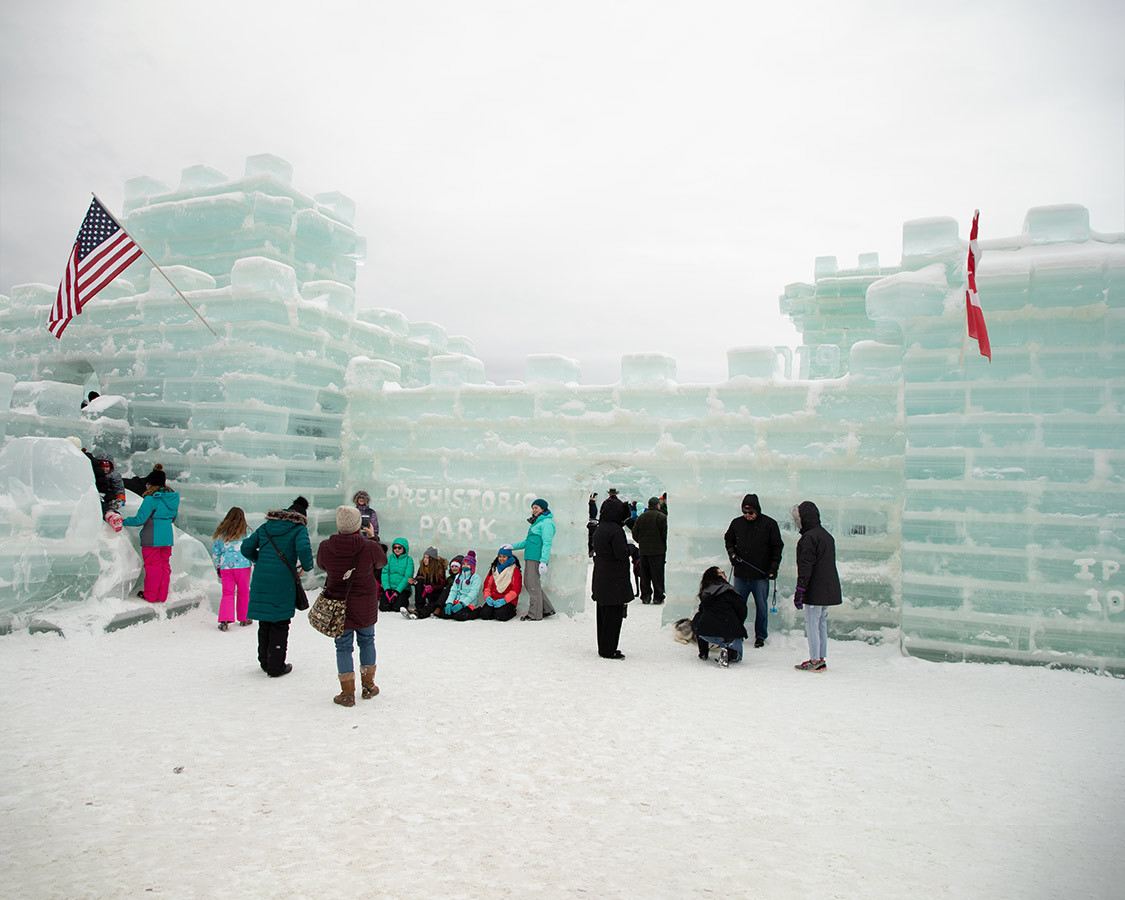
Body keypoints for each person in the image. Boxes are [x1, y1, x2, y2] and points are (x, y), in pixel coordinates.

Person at [317, 505, 388, 705]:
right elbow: (381, 562)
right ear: (358, 524)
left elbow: (322, 565)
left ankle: (347, 693)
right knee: (367, 640)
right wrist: (373, 538)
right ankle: (368, 686)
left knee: (343, 646)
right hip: (364, 602)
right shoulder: (369, 546)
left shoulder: (326, 546)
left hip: (338, 604)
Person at [241, 497, 313, 678]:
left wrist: (260, 560)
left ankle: (264, 661)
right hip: (283, 580)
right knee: (280, 622)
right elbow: (304, 549)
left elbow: (246, 547)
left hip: (261, 579)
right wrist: (307, 565)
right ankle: (276, 666)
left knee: (265, 621)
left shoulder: (267, 527)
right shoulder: (298, 529)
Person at [723, 493, 784, 648]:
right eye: (744, 512)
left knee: (761, 607)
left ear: (757, 510)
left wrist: (773, 568)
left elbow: (777, 547)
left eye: (751, 512)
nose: (747, 515)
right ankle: (736, 632)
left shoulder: (769, 524)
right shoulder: (736, 523)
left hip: (760, 575)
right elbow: (728, 539)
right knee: (738, 606)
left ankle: (760, 636)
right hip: (741, 575)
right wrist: (732, 554)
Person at [792, 501, 842, 672]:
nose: (796, 522)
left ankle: (815, 660)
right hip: (827, 588)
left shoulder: (808, 538)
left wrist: (800, 590)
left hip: (815, 588)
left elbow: (805, 567)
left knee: (812, 623)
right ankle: (820, 658)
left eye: (797, 518)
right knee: (821, 623)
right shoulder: (826, 536)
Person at [122, 465, 180, 604]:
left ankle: (151, 596)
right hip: (167, 537)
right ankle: (162, 595)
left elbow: (139, 520)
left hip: (152, 537)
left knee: (152, 567)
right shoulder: (172, 498)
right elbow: (173, 518)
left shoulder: (151, 499)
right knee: (164, 566)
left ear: (150, 484)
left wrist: (123, 521)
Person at [591, 494, 632, 659]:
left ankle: (603, 647)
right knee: (613, 617)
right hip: (614, 579)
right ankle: (609, 650)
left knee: (602, 616)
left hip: (601, 575)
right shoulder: (616, 530)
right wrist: (631, 549)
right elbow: (621, 553)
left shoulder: (600, 528)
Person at [692, 566, 748, 668]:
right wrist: (738, 625)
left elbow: (701, 612)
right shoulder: (730, 591)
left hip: (707, 633)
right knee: (737, 656)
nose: (724, 574)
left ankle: (703, 652)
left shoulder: (706, 593)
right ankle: (730, 653)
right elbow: (742, 610)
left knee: (698, 618)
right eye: (721, 573)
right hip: (730, 632)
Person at [211, 506, 253, 630]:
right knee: (244, 592)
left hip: (226, 568)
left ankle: (225, 620)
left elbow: (216, 553)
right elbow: (252, 548)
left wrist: (218, 566)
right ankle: (244, 617)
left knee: (227, 593)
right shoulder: (247, 532)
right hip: (244, 566)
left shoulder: (221, 533)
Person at [514, 498, 556, 621]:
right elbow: (528, 542)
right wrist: (512, 546)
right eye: (533, 507)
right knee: (531, 584)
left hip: (536, 558)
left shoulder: (547, 523)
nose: (534, 510)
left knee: (532, 585)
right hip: (530, 557)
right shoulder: (537, 522)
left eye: (536, 507)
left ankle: (535, 614)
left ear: (543, 508)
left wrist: (543, 561)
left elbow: (547, 543)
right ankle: (546, 609)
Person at [631, 497, 668, 604]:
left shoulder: (641, 517)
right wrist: (663, 545)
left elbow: (635, 533)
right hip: (658, 552)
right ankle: (658, 596)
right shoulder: (662, 517)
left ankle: (645, 596)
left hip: (643, 551)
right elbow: (665, 535)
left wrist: (641, 542)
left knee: (645, 575)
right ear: (657, 505)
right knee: (657, 575)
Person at [479, 545, 522, 621]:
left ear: (508, 557)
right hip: (493, 599)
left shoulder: (514, 570)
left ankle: (512, 611)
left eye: (504, 557)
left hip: (508, 600)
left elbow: (516, 589)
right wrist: (488, 597)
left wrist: (504, 600)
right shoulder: (494, 569)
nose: (501, 559)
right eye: (500, 556)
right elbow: (487, 585)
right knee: (484, 614)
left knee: (501, 615)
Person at [404, 546, 447, 619]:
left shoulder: (439, 568)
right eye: (424, 557)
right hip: (425, 591)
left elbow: (442, 584)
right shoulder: (422, 567)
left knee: (432, 605)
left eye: (427, 558)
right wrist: (414, 581)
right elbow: (418, 577)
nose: (425, 560)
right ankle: (419, 607)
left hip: (436, 594)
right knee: (419, 581)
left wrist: (432, 587)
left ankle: (419, 613)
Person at [443, 550, 483, 620]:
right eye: (463, 564)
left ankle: (477, 611)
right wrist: (449, 602)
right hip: (457, 601)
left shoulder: (476, 578)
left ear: (472, 566)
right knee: (444, 614)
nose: (465, 566)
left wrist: (462, 604)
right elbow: (453, 591)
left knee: (459, 616)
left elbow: (473, 593)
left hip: (468, 603)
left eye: (467, 564)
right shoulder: (458, 576)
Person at [380, 537, 415, 612]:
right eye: (395, 547)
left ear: (404, 548)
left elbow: (407, 577)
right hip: (389, 588)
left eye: (399, 547)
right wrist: (386, 589)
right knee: (384, 607)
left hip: (402, 589)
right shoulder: (390, 558)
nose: (397, 549)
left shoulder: (409, 560)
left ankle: (402, 601)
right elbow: (385, 573)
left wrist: (397, 591)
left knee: (397, 608)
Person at [587, 492, 598, 558]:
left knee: (590, 538)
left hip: (591, 523)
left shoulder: (590, 505)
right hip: (592, 523)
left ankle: (590, 551)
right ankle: (591, 551)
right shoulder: (592, 505)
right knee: (591, 538)